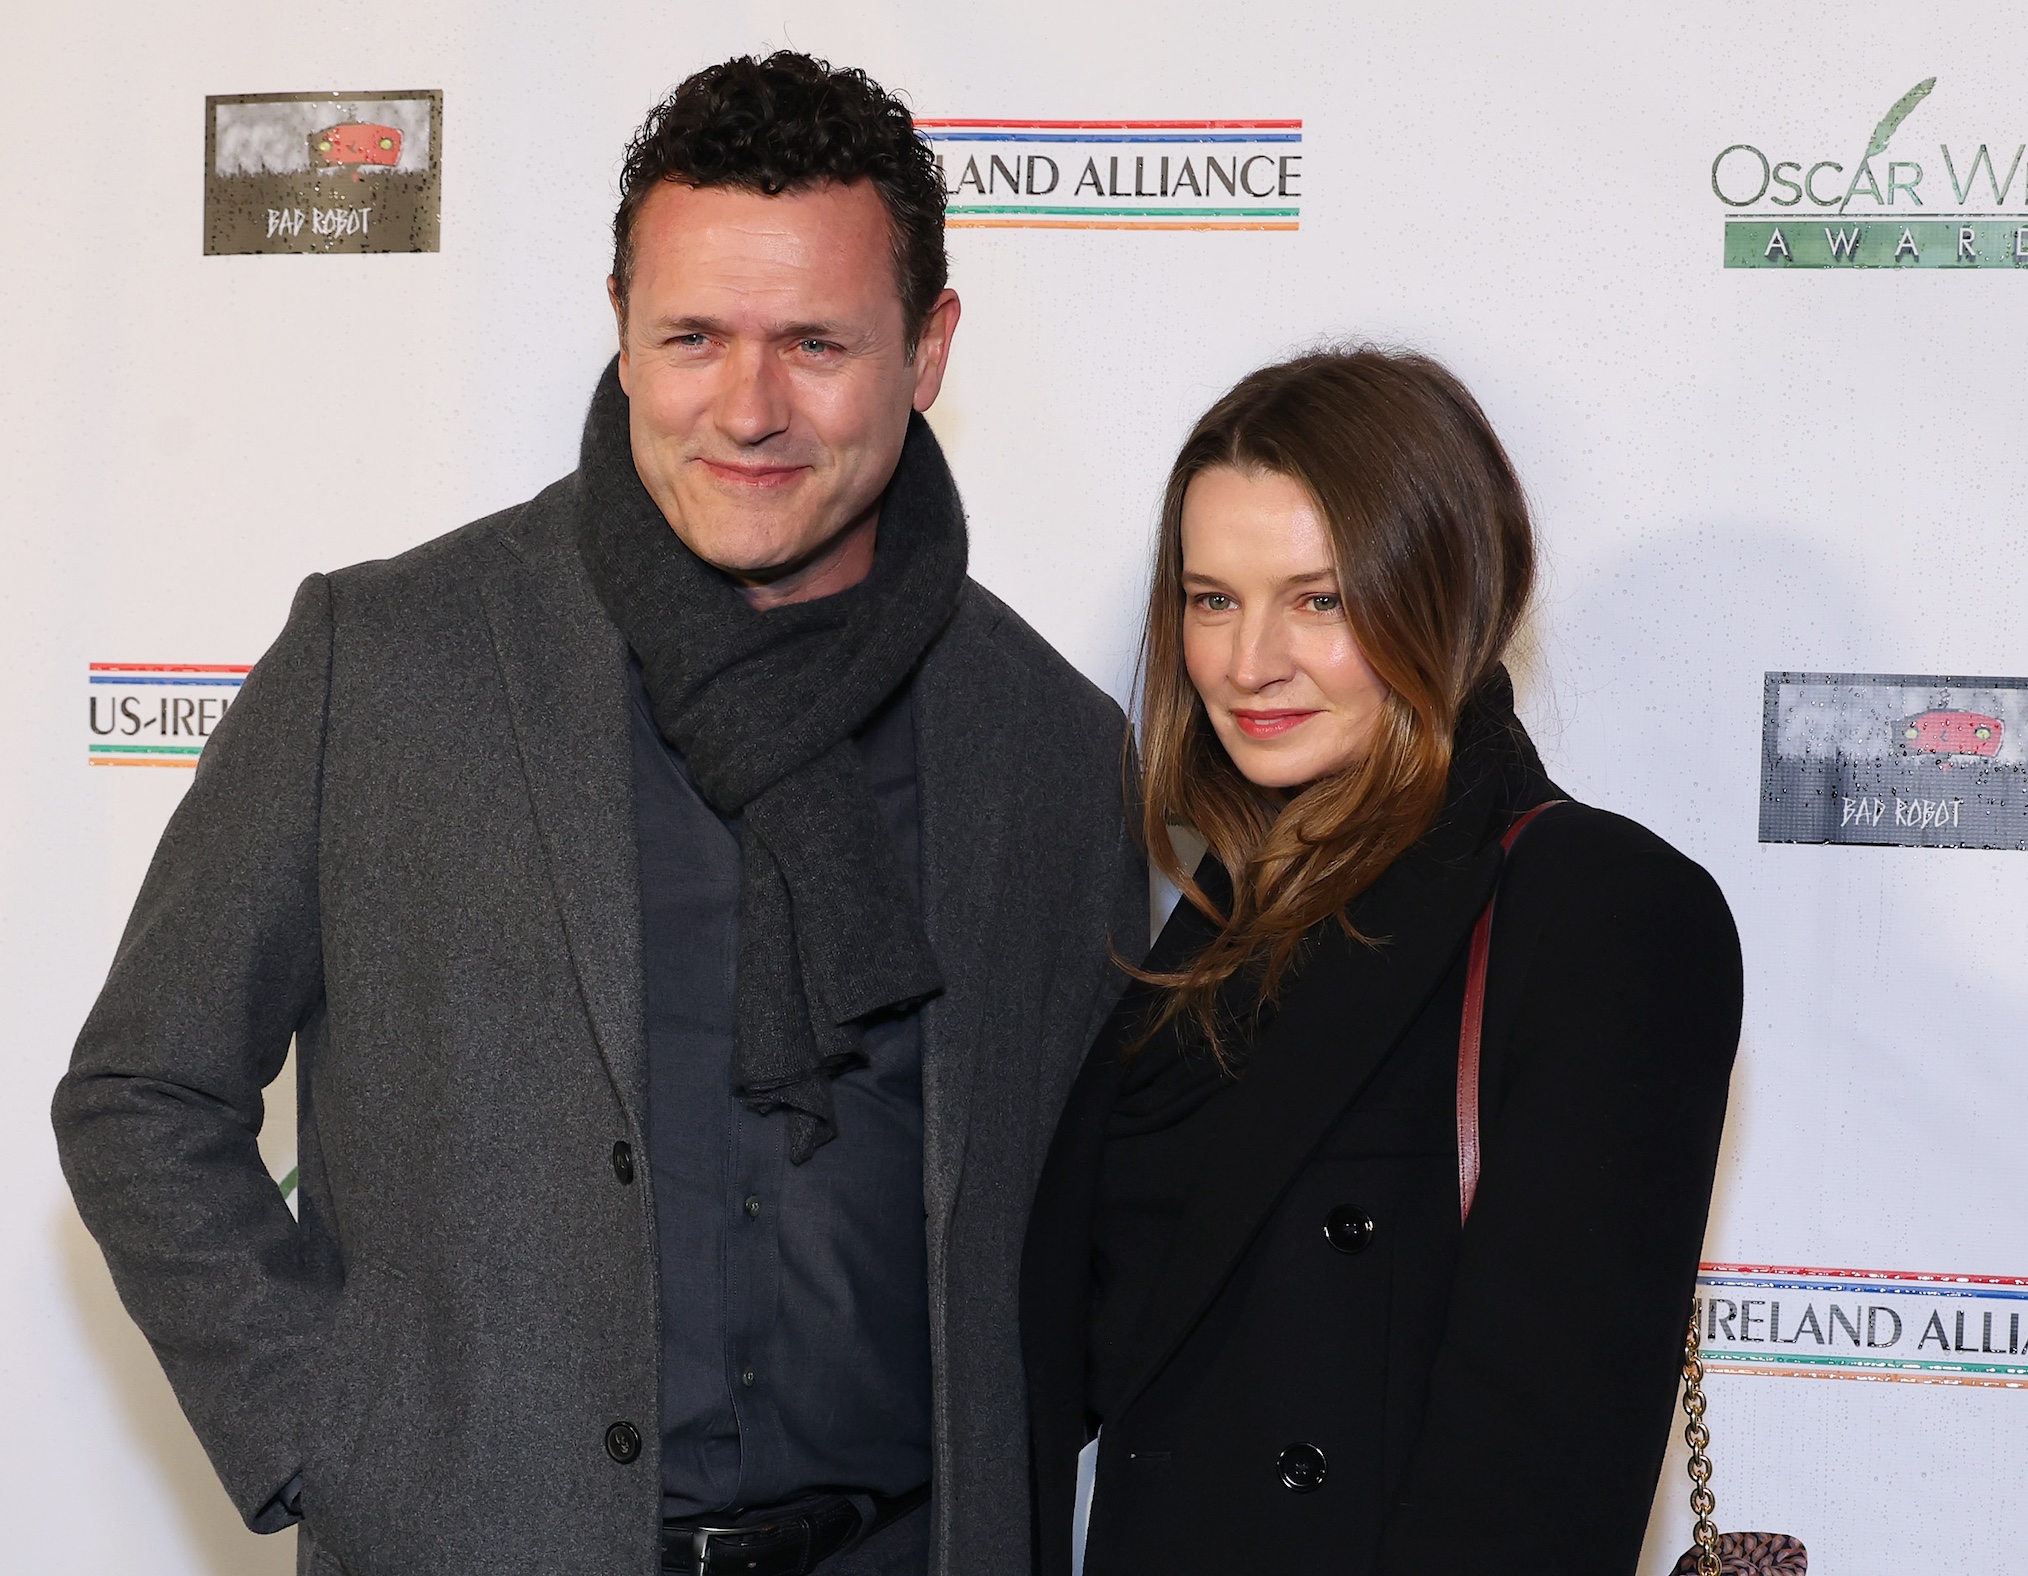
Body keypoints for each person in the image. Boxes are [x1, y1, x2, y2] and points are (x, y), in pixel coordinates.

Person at [53, 53, 1142, 1576]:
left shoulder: (1049, 744)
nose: (748, 409)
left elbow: (1101, 1211)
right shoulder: (386, 662)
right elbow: (142, 1089)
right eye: (693, 336)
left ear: (929, 348)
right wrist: (329, 1434)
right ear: (622, 329)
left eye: (815, 342)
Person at [1021, 348, 1741, 1575]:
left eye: (1319, 600)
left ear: (1444, 597)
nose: (1250, 662)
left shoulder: (1600, 910)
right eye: (1212, 599)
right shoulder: (1213, 931)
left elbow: (1539, 1488)